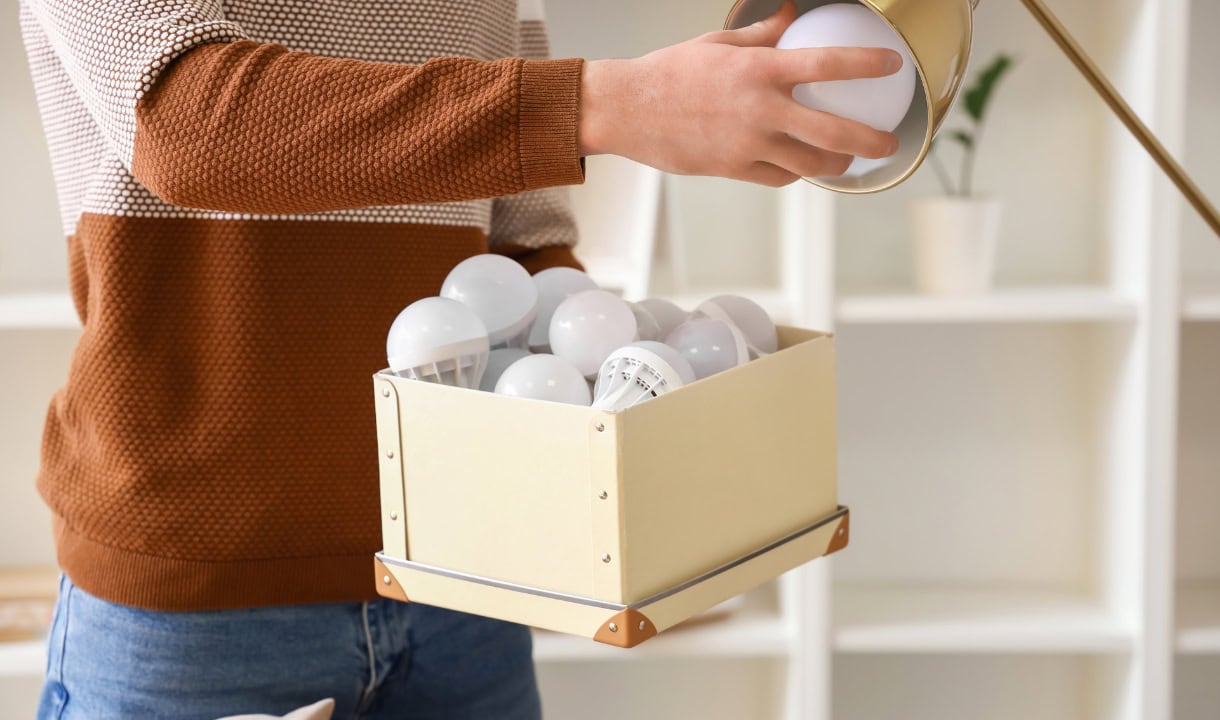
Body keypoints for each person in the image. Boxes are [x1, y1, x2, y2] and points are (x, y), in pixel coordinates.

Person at [18, 0, 901, 717]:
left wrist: (639, 443)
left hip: (465, 578)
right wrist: (612, 103)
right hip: (194, 607)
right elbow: (188, 120)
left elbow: (521, 243)